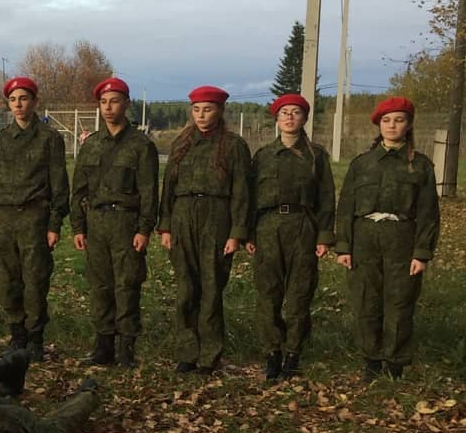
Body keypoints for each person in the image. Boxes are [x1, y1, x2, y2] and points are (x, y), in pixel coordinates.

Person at [335, 97, 439, 381]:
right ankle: (371, 359)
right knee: (366, 299)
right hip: (364, 237)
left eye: (399, 120)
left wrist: (422, 252)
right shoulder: (362, 164)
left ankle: (395, 362)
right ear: (379, 125)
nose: (392, 125)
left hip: (401, 237)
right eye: (386, 120)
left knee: (400, 299)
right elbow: (345, 208)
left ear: (409, 124)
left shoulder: (420, 166)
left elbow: (429, 212)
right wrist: (343, 246)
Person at [157, 86, 251, 374]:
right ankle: (187, 352)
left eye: (208, 109)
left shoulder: (234, 145)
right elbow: (168, 188)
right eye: (196, 109)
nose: (201, 115)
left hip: (217, 217)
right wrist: (165, 226)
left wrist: (236, 232)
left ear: (220, 111)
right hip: (183, 216)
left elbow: (241, 191)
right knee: (186, 287)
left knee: (211, 288)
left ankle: (209, 356)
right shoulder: (181, 142)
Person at [246, 94, 336, 380]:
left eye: (296, 112)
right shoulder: (262, 156)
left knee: (300, 292)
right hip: (268, 226)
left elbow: (326, 197)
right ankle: (272, 352)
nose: (289, 117)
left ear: (304, 119)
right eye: (284, 112)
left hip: (302, 225)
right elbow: (249, 198)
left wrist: (324, 236)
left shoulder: (316, 155)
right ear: (276, 118)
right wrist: (248, 232)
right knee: (268, 292)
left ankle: (293, 353)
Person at [70, 77, 159, 367]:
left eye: (115, 101)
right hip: (96, 223)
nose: (108, 108)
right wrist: (78, 227)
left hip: (126, 223)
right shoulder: (91, 144)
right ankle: (103, 346)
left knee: (127, 285)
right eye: (104, 102)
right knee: (100, 286)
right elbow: (79, 189)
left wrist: (144, 229)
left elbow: (149, 192)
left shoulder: (140, 146)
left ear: (126, 104)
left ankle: (126, 349)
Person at [0, 76, 68, 360]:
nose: (18, 105)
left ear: (34, 102)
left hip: (35, 218)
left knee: (35, 280)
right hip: (5, 219)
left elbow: (59, 185)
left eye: (24, 99)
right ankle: (16, 335)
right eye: (13, 100)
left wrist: (54, 224)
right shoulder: (2, 139)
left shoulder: (49, 139)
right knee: (9, 281)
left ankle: (35, 338)